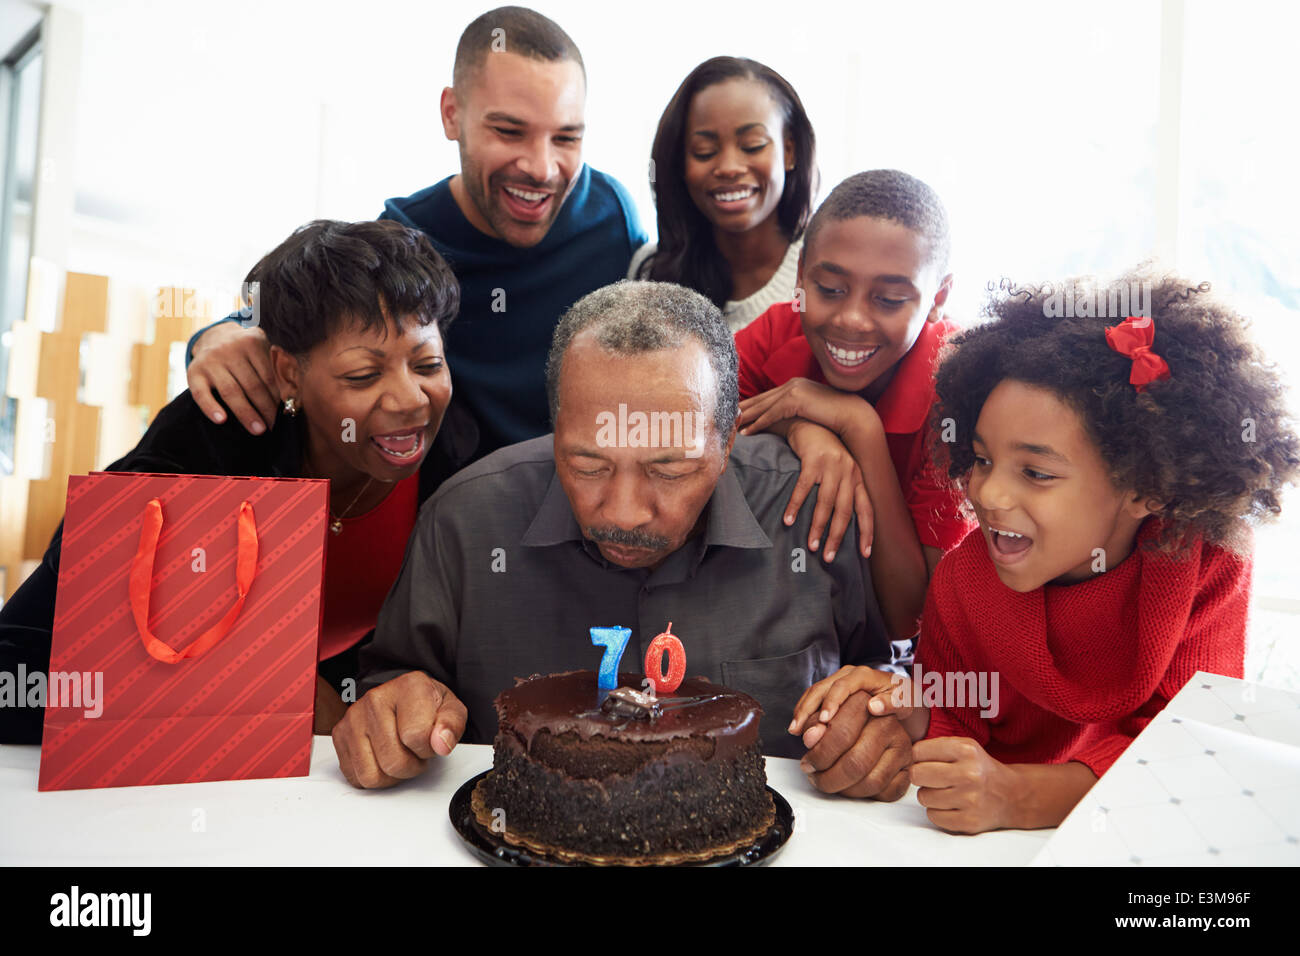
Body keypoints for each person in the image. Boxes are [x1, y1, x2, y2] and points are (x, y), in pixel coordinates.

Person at [330, 280, 912, 800]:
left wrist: (875, 719)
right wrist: (390, 713)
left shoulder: (814, 508)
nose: (627, 514)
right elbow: (394, 684)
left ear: (728, 441)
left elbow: (872, 671)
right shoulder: (464, 522)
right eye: (588, 465)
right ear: (554, 431)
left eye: (670, 469)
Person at [790, 270, 1300, 833]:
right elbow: (959, 716)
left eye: (1036, 472)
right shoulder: (965, 580)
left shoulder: (1205, 566)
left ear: (1145, 488)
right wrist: (903, 713)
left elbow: (1187, 749)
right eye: (982, 460)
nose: (988, 493)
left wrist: (1019, 796)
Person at [0, 219, 462, 743]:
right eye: (362, 376)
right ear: (287, 374)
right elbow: (16, 663)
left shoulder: (456, 454)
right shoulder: (210, 438)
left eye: (427, 363)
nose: (410, 400)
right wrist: (274, 689)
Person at [183, 6, 646, 461]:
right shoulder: (406, 237)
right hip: (453, 510)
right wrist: (218, 333)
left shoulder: (611, 216)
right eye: (509, 131)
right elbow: (291, 317)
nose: (542, 168)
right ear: (451, 114)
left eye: (566, 138)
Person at [734, 170, 973, 645]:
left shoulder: (960, 393)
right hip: (780, 618)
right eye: (830, 289)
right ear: (801, 275)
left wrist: (858, 427)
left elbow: (911, 619)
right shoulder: (775, 335)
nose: (851, 320)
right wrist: (800, 427)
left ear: (937, 299)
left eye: (888, 299)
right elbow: (694, 424)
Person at [631, 57, 816, 332]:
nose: (729, 168)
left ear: (789, 152)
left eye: (753, 146)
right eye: (704, 151)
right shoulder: (651, 272)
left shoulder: (827, 273)